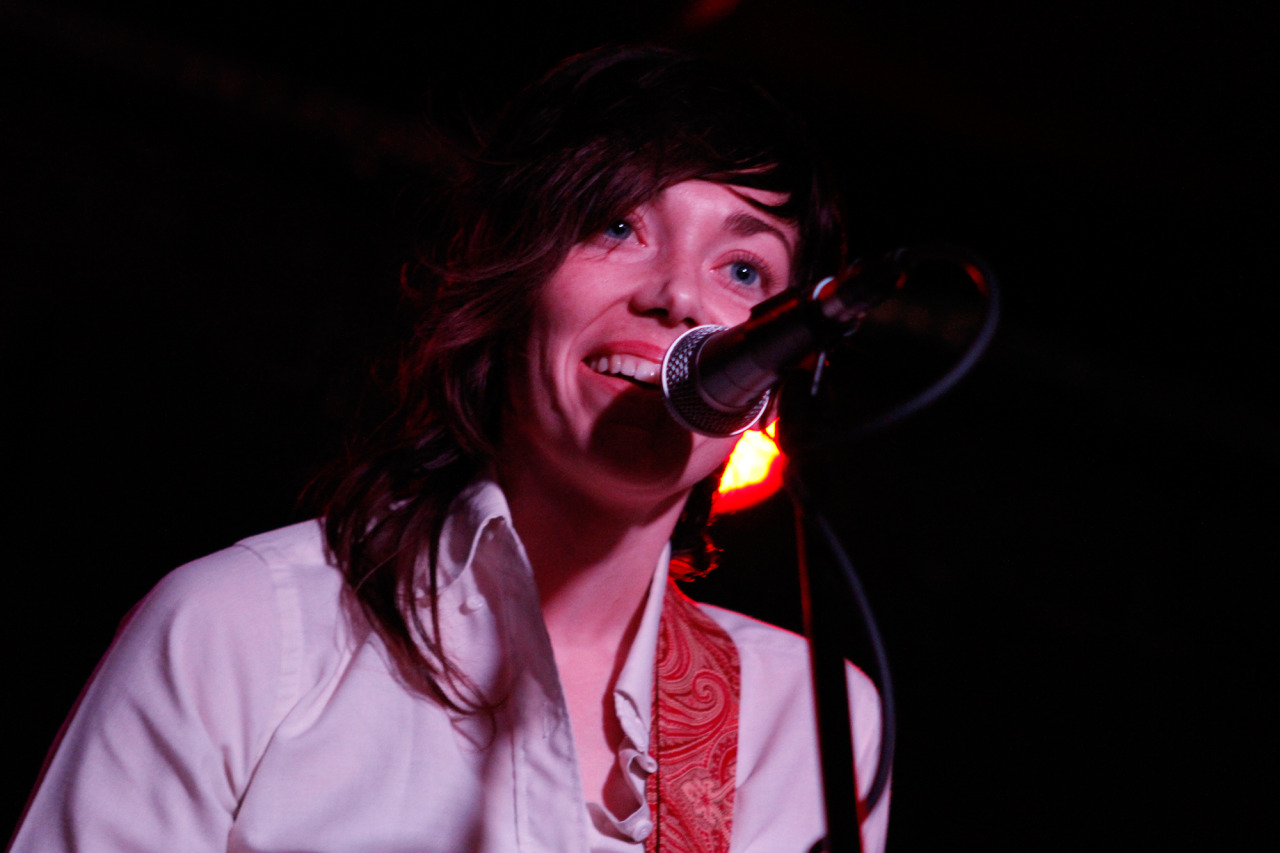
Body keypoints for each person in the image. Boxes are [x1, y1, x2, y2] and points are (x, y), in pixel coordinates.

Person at [8, 45, 888, 852]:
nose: (678, 298)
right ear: (514, 275)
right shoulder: (243, 629)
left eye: (744, 271)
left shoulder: (807, 724)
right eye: (618, 225)